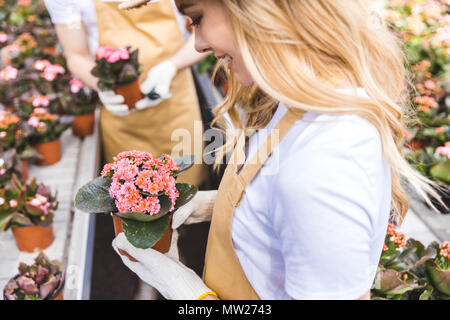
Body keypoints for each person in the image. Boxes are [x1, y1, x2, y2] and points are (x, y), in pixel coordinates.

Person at [112, 0, 446, 300]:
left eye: (196, 17)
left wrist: (188, 296)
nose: (198, 43)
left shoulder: (325, 161)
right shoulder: (300, 102)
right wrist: (218, 204)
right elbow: (287, 198)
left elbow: (307, 190)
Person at [43, 0, 209, 187]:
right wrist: (101, 85)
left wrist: (171, 66)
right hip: (123, 118)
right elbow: (76, 55)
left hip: (177, 105)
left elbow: (209, 31)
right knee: (133, 198)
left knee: (187, 193)